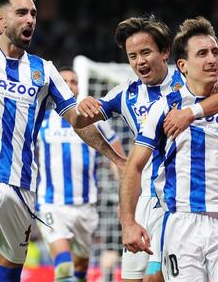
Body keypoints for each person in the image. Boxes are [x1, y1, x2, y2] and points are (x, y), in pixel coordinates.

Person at [0, 0, 123, 282]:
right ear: (0, 19)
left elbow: (78, 121)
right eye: (22, 13)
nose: (30, 20)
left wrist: (116, 156)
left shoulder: (44, 70)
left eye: (34, 14)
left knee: (8, 274)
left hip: (23, 188)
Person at [76, 15, 218, 282]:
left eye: (145, 52)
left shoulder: (190, 78)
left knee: (157, 277)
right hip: (144, 198)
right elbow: (79, 123)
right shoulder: (125, 94)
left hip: (178, 201)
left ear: (165, 53)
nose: (139, 61)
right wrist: (115, 156)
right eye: (132, 56)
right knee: (132, 278)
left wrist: (190, 112)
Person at [119, 16, 218, 281]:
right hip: (182, 224)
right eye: (203, 54)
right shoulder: (163, 108)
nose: (213, 60)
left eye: (215, 52)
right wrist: (128, 223)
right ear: (183, 65)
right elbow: (134, 166)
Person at [36, 67, 126, 282]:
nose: (68, 85)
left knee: (80, 268)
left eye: (73, 81)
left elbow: (119, 161)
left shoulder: (95, 122)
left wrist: (125, 200)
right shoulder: (41, 122)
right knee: (64, 265)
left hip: (86, 207)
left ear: (78, 87)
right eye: (63, 80)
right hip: (51, 204)